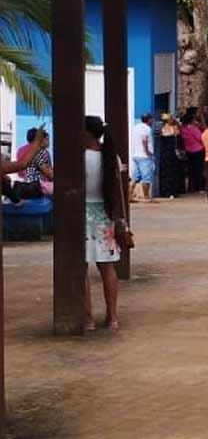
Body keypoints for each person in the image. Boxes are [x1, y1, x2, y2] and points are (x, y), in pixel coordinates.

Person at [83, 116, 127, 331]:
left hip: (82, 214)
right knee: (107, 267)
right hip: (104, 215)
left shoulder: (81, 157)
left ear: (87, 133)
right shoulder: (112, 157)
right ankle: (112, 317)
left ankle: (88, 318)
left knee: (81, 268)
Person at [17, 128, 53, 198]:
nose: (49, 142)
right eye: (47, 139)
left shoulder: (22, 150)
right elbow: (48, 172)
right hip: (37, 185)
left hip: (26, 182)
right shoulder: (41, 151)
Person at [130, 112, 155, 203]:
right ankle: (146, 196)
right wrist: (147, 151)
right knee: (146, 177)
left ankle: (129, 194)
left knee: (135, 177)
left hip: (136, 155)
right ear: (149, 119)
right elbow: (144, 139)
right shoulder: (147, 128)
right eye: (151, 119)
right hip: (144, 156)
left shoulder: (136, 127)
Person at [158, 114, 184, 199]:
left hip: (167, 153)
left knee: (169, 172)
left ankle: (167, 191)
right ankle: (171, 191)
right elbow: (178, 136)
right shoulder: (174, 129)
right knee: (171, 172)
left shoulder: (163, 129)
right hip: (170, 152)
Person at [180, 112, 205, 192]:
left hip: (188, 151)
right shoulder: (194, 129)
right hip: (198, 150)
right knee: (199, 169)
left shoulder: (182, 129)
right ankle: (199, 187)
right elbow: (201, 138)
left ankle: (191, 187)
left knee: (191, 170)